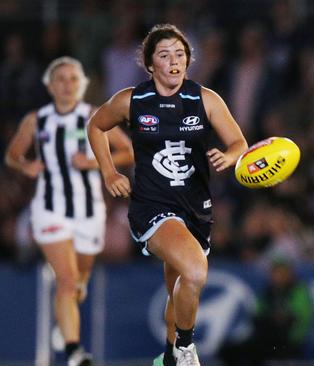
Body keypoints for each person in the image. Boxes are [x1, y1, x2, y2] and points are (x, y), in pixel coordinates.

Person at [86, 24, 248, 366]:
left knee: (180, 285)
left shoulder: (205, 99)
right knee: (195, 271)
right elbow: (96, 126)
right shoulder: (132, 100)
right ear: (150, 65)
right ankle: (186, 348)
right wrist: (109, 172)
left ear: (188, 60)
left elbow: (239, 143)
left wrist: (230, 156)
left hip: (196, 209)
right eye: (164, 55)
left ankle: (169, 357)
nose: (174, 60)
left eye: (180, 53)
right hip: (152, 206)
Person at [5, 56, 134, 366]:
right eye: (60, 79)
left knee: (79, 284)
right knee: (65, 279)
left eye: (72, 79)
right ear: (50, 86)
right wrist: (27, 166)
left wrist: (92, 163)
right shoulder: (37, 121)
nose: (66, 84)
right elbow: (12, 155)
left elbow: (128, 151)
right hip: (50, 210)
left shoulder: (94, 118)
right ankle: (75, 351)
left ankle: (65, 326)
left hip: (89, 212)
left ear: (82, 85)